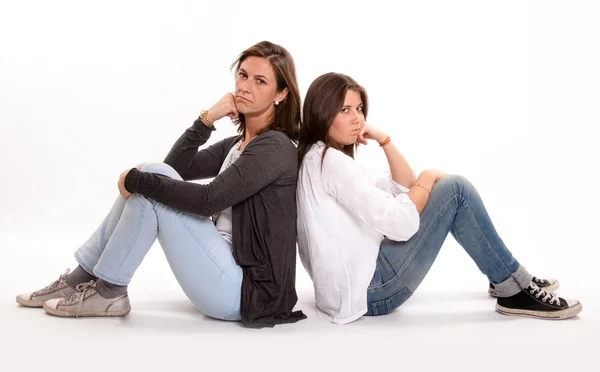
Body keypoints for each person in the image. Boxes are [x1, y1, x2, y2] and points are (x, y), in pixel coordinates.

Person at [16, 41, 306, 328]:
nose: (245, 86)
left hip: (246, 293)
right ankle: (83, 281)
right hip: (219, 271)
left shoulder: (275, 147)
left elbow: (209, 199)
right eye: (242, 75)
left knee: (149, 179)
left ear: (281, 93)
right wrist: (207, 118)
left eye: (260, 81)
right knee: (151, 182)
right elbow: (174, 169)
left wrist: (135, 178)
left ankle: (108, 290)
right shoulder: (239, 145)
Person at [296, 72, 582, 324]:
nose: (357, 118)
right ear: (322, 113)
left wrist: (384, 140)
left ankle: (506, 276)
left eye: (359, 108)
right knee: (456, 190)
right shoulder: (332, 163)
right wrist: (429, 176)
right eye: (344, 110)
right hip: (370, 291)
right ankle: (513, 288)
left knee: (447, 190)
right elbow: (400, 223)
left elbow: (403, 185)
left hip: (348, 291)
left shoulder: (318, 159)